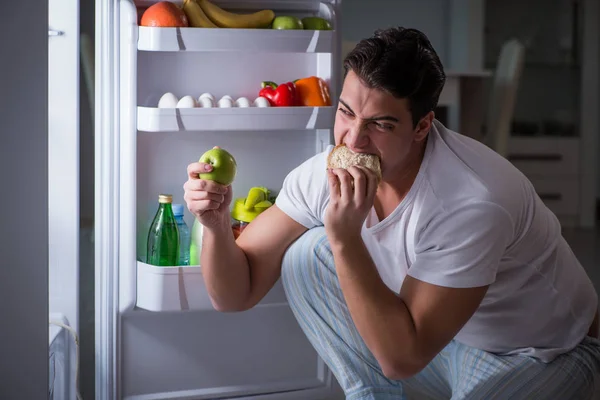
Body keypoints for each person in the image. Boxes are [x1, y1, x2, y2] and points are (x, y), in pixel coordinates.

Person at [183, 27, 600, 399]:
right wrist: (217, 224)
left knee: (333, 247)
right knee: (306, 252)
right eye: (346, 112)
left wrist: (345, 239)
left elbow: (403, 360)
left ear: (422, 127)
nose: (354, 140)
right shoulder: (323, 172)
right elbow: (233, 295)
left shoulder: (471, 202)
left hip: (536, 351)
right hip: (433, 345)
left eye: (380, 124)